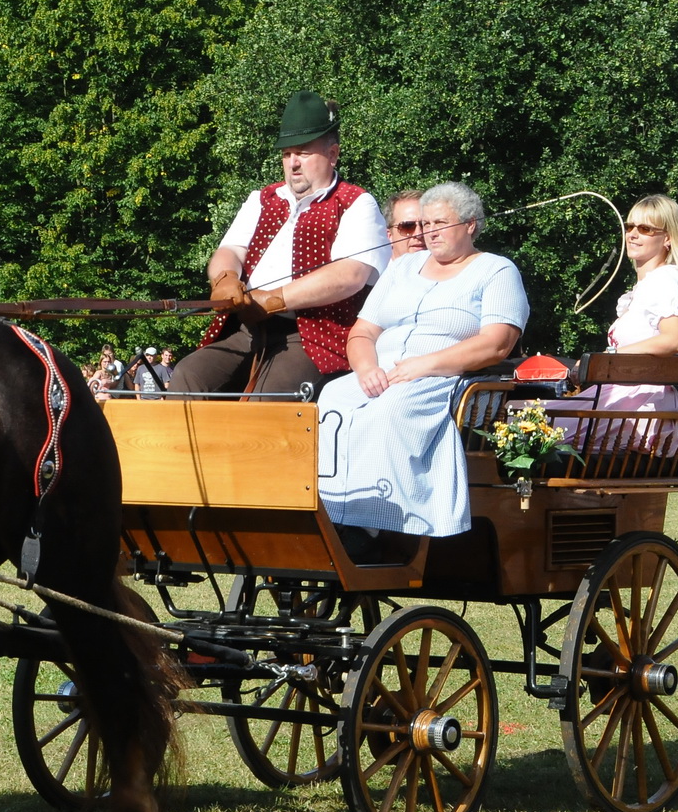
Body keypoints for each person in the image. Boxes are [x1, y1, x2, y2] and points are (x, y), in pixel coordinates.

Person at [317, 181, 527, 555]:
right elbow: (363, 331)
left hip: (445, 378)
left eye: (440, 223)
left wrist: (424, 365)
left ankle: (374, 528)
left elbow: (498, 342)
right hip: (380, 372)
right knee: (331, 398)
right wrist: (366, 368)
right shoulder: (402, 268)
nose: (429, 232)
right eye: (425, 224)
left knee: (390, 410)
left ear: (470, 225)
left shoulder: (495, 270)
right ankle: (328, 514)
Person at [171, 91, 390, 398]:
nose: (293, 164)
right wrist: (225, 279)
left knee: (269, 397)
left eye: (302, 152)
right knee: (189, 374)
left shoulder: (356, 203)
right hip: (249, 329)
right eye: (287, 155)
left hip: (314, 335)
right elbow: (230, 250)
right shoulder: (262, 198)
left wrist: (273, 299)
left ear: (333, 154)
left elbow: (349, 275)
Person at [550, 194, 678, 455]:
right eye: (629, 227)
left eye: (645, 228)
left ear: (668, 238)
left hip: (643, 408)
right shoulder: (644, 287)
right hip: (624, 400)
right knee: (526, 417)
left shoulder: (666, 280)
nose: (632, 234)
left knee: (531, 424)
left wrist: (606, 358)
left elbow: (673, 340)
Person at [386, 189, 427, 259]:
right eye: (408, 227)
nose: (419, 234)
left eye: (425, 225)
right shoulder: (374, 269)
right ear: (389, 236)